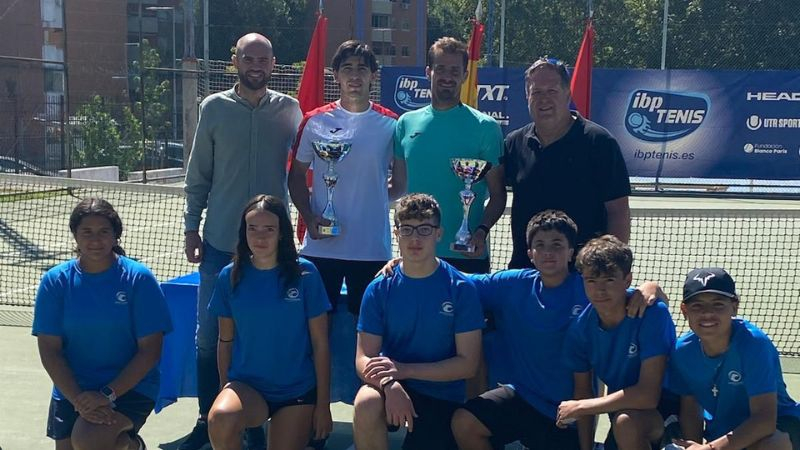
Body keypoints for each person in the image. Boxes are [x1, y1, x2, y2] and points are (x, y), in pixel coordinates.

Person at [450, 210, 662, 450]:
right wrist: (405, 262)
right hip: (523, 397)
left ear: (572, 252)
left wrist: (651, 286)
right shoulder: (510, 283)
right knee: (465, 422)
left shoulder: (590, 287)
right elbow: (456, 280)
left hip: (571, 412)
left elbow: (632, 294)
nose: (548, 252)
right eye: (539, 245)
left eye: (557, 244)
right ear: (530, 253)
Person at [182, 33, 302, 450]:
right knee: (208, 337)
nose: (256, 65)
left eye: (263, 59)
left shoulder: (290, 111)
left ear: (274, 64)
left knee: (259, 334)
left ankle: (253, 422)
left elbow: (303, 172)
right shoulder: (213, 108)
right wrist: (190, 227)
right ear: (235, 61)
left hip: (273, 250)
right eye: (248, 57)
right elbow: (198, 176)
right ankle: (206, 419)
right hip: (218, 244)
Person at [32, 198, 172, 450]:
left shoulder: (138, 279)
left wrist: (106, 395)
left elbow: (150, 350)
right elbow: (49, 350)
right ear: (75, 235)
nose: (95, 240)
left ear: (116, 236)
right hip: (72, 390)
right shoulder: (55, 282)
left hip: (130, 388)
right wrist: (78, 399)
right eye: (87, 232)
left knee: (87, 440)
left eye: (104, 232)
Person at [352, 193, 484, 450]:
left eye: (424, 229)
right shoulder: (380, 287)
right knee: (366, 403)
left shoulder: (460, 288)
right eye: (407, 229)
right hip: (391, 386)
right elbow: (362, 358)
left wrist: (405, 370)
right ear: (396, 233)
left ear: (439, 234)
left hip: (441, 395)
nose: (415, 238)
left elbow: (468, 365)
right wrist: (390, 383)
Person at [289, 39, 406, 317]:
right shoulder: (314, 121)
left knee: (370, 329)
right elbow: (295, 177)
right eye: (348, 68)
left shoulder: (392, 124)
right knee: (314, 328)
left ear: (373, 75)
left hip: (372, 251)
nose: (355, 75)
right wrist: (309, 214)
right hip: (320, 247)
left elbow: (400, 184)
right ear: (336, 75)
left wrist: (370, 197)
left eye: (362, 69)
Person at [206, 195, 332, 450]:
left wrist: (323, 406)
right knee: (220, 418)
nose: (260, 237)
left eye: (269, 229)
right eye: (252, 228)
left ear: (282, 233)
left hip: (296, 391)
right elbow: (225, 340)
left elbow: (320, 345)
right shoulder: (229, 276)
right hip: (247, 387)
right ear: (244, 233)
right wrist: (224, 388)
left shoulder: (305, 274)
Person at [503, 56, 631, 269]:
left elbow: (618, 211)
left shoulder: (599, 142)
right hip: (526, 272)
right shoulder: (514, 144)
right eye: (536, 92)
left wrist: (611, 266)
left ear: (567, 94)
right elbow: (494, 195)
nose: (544, 99)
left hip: (584, 275)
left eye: (552, 91)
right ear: (527, 96)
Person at [394, 37, 506, 274]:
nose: (447, 76)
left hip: (467, 256)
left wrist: (480, 232)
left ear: (464, 75)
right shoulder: (405, 123)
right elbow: (397, 189)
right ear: (428, 72)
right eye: (441, 68)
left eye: (454, 70)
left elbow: (497, 195)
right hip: (416, 254)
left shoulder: (486, 127)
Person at [557, 235, 677, 450]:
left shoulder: (651, 314)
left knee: (626, 423)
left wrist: (582, 406)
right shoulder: (580, 330)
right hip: (624, 413)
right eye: (591, 281)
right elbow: (583, 392)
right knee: (624, 423)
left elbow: (648, 396)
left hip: (667, 411)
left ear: (628, 280)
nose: (600, 290)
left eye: (609, 280)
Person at [669, 268, 800, 450]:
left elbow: (764, 420)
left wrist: (709, 449)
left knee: (771, 445)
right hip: (725, 431)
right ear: (684, 310)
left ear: (734, 306)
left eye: (718, 304)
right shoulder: (682, 351)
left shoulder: (754, 344)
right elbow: (690, 407)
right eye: (697, 306)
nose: (707, 313)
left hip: (780, 422)